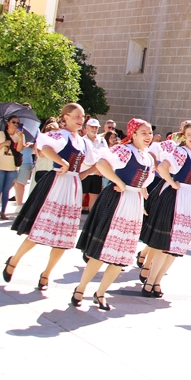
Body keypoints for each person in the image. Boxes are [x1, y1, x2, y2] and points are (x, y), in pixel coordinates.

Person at [5, 104, 99, 290]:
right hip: (56, 184)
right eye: (76, 116)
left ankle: (46, 274)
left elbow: (88, 165)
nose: (80, 120)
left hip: (72, 186)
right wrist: (61, 161)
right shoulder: (61, 135)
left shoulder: (83, 142)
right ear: (65, 117)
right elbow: (44, 147)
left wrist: (92, 170)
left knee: (64, 237)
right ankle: (14, 261)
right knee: (40, 228)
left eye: (82, 117)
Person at [72, 119, 155, 311]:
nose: (148, 136)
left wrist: (142, 196)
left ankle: (101, 293)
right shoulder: (124, 150)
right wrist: (120, 182)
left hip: (133, 204)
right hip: (117, 200)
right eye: (143, 132)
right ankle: (81, 288)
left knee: (122, 254)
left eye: (149, 133)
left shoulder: (147, 157)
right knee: (102, 250)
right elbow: (102, 164)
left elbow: (143, 182)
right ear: (133, 134)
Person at [140, 121, 191, 298]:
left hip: (189, 200)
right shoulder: (180, 152)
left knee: (176, 247)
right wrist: (172, 183)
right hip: (174, 197)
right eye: (190, 135)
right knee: (164, 244)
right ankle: (150, 282)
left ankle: (157, 281)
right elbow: (162, 167)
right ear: (184, 136)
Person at [0, 115, 25, 220]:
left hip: (12, 166)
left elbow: (19, 150)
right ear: (8, 123)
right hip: (0, 164)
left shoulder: (20, 135)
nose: (15, 124)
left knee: (6, 190)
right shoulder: (0, 134)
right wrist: (4, 143)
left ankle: (3, 212)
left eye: (17, 123)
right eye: (13, 122)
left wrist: (20, 138)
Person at [80, 118, 107, 213]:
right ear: (86, 127)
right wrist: (94, 168)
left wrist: (100, 169)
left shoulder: (102, 141)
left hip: (97, 173)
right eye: (92, 127)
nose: (94, 129)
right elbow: (82, 158)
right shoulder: (82, 140)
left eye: (96, 127)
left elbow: (106, 155)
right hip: (84, 172)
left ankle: (90, 218)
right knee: (81, 195)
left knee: (94, 195)